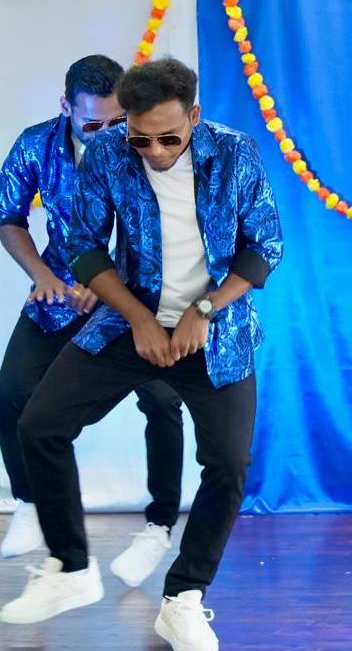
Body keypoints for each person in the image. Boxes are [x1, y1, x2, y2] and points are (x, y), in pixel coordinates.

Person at [0, 58, 282, 651]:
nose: (154, 151)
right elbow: (82, 247)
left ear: (194, 117)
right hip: (131, 321)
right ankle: (71, 568)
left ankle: (183, 599)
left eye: (169, 138)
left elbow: (264, 248)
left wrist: (204, 310)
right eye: (141, 139)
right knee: (39, 424)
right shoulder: (108, 153)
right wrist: (138, 320)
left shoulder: (235, 153)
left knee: (229, 464)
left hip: (217, 332)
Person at [0, 55, 185, 589]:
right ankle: (31, 502)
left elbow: (171, 224)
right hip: (63, 294)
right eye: (93, 124)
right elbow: (8, 217)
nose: (108, 133)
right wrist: (43, 276)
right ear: (66, 107)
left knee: (162, 400)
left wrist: (110, 285)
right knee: (11, 392)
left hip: (135, 298)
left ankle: (159, 525)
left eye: (117, 121)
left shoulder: (146, 143)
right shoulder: (35, 145)